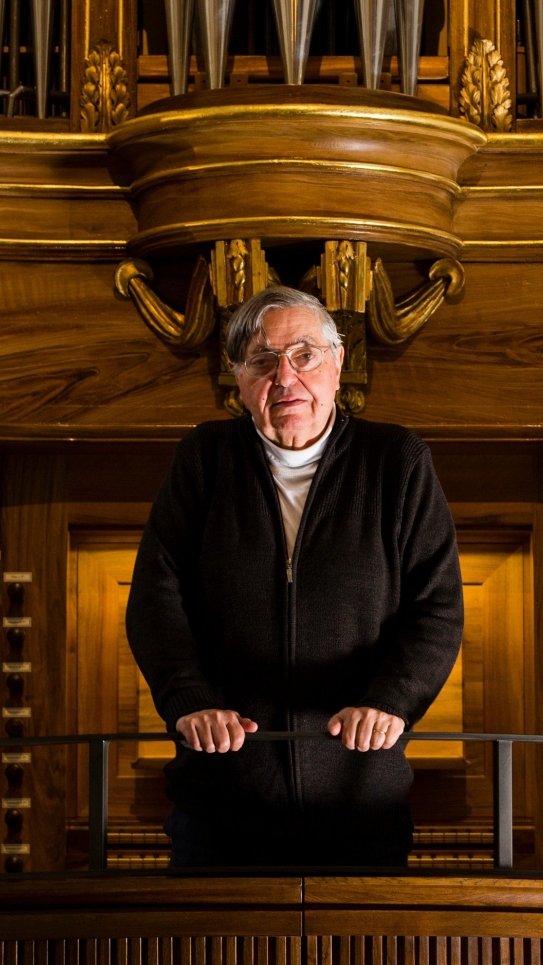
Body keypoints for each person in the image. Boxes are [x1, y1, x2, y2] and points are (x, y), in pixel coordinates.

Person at [125, 285, 464, 868]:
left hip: (360, 802)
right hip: (221, 805)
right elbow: (156, 598)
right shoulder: (203, 459)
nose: (284, 377)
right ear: (238, 377)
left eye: (304, 354)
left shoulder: (397, 460)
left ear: (337, 364)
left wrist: (390, 702)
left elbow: (436, 608)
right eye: (261, 360)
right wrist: (188, 700)